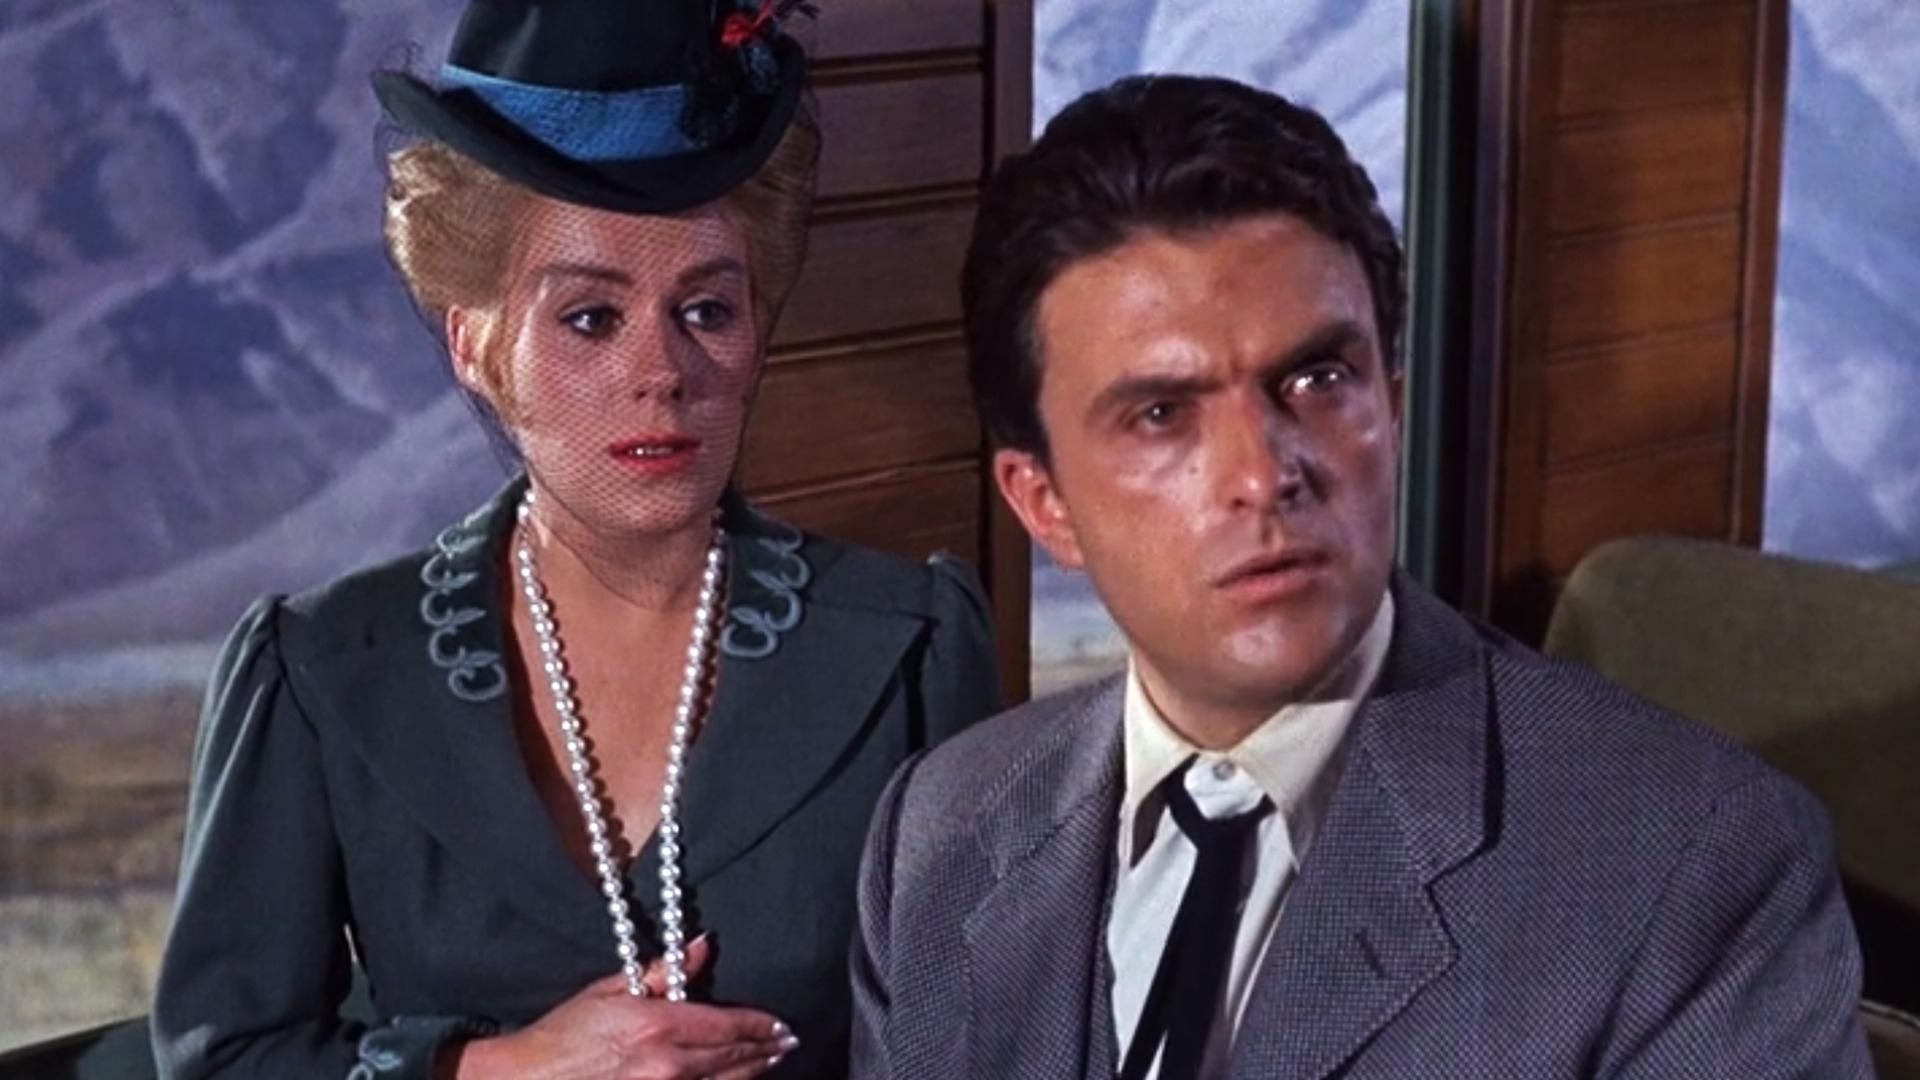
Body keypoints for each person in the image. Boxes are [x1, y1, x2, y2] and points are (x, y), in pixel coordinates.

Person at [849, 74, 1871, 1079]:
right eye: (1161, 415)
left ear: (1391, 402)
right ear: (1045, 505)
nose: (1264, 475)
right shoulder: (937, 839)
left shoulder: (1689, 864)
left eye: (1316, 378)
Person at [150, 3, 1000, 1078]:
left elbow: (998, 1038)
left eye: (707, 309)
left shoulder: (910, 649)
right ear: (477, 345)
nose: (662, 372)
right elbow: (226, 1060)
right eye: (591, 318)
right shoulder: (324, 674)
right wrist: (498, 1071)